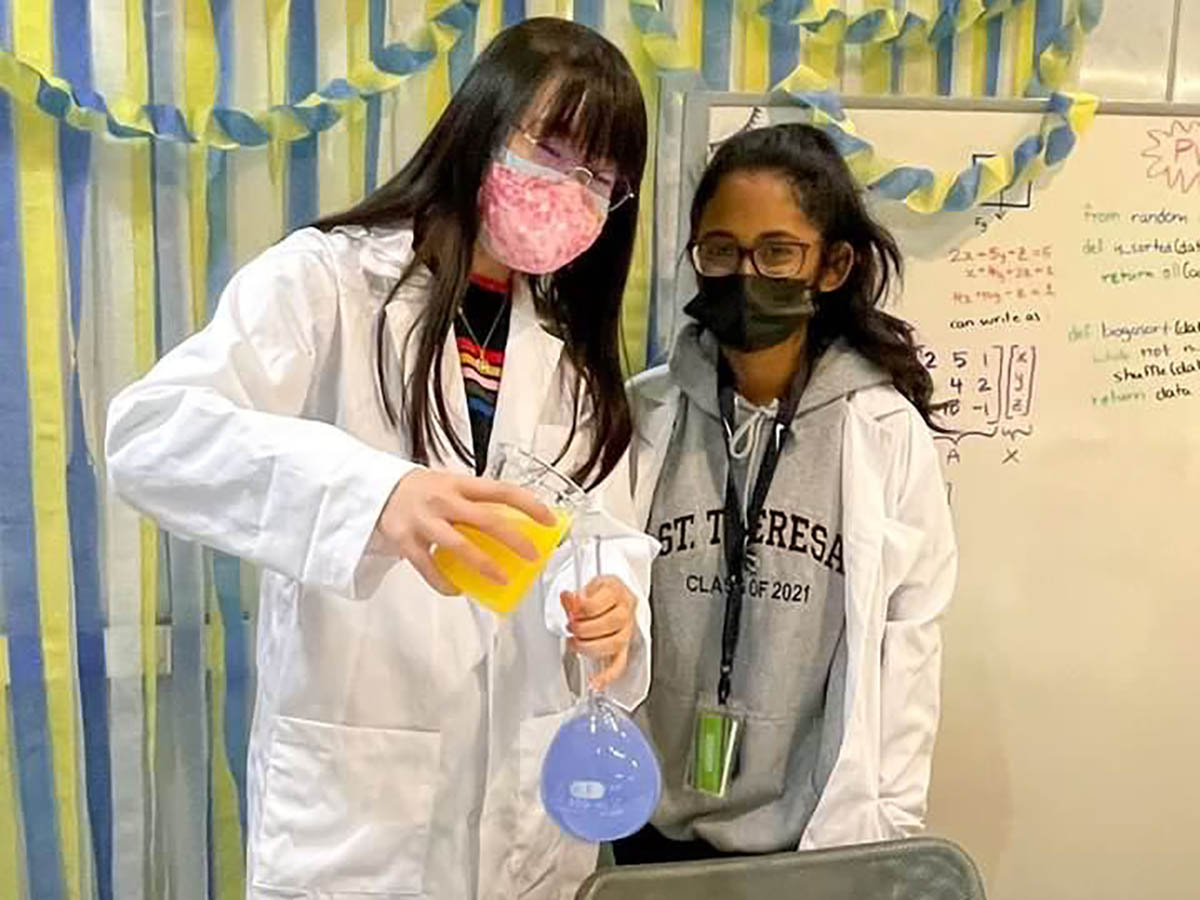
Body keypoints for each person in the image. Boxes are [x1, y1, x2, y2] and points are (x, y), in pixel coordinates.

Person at [105, 18, 656, 900]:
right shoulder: (327, 284)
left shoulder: (571, 361)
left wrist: (614, 612)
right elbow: (151, 435)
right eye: (552, 149)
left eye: (600, 177)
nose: (571, 189)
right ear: (482, 123)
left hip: (525, 827)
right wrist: (376, 497)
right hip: (359, 819)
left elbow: (603, 533)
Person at [616, 123, 957, 863]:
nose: (745, 274)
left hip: (811, 837)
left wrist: (887, 831)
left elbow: (910, 640)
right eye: (720, 250)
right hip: (649, 824)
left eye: (777, 251)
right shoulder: (648, 415)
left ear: (832, 265)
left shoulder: (883, 432)